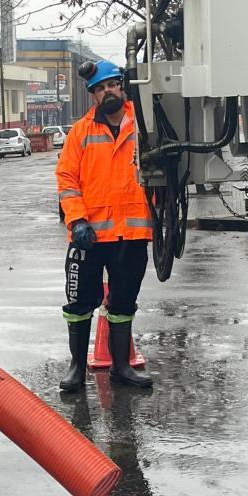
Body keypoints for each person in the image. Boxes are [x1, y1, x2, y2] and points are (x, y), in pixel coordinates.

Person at [56, 60, 154, 392]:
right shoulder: (81, 132)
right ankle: (76, 368)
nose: (106, 91)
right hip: (89, 237)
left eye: (111, 84)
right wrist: (77, 219)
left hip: (131, 233)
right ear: (93, 96)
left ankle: (121, 367)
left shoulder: (143, 124)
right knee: (80, 302)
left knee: (124, 302)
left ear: (122, 86)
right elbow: (67, 180)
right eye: (99, 89)